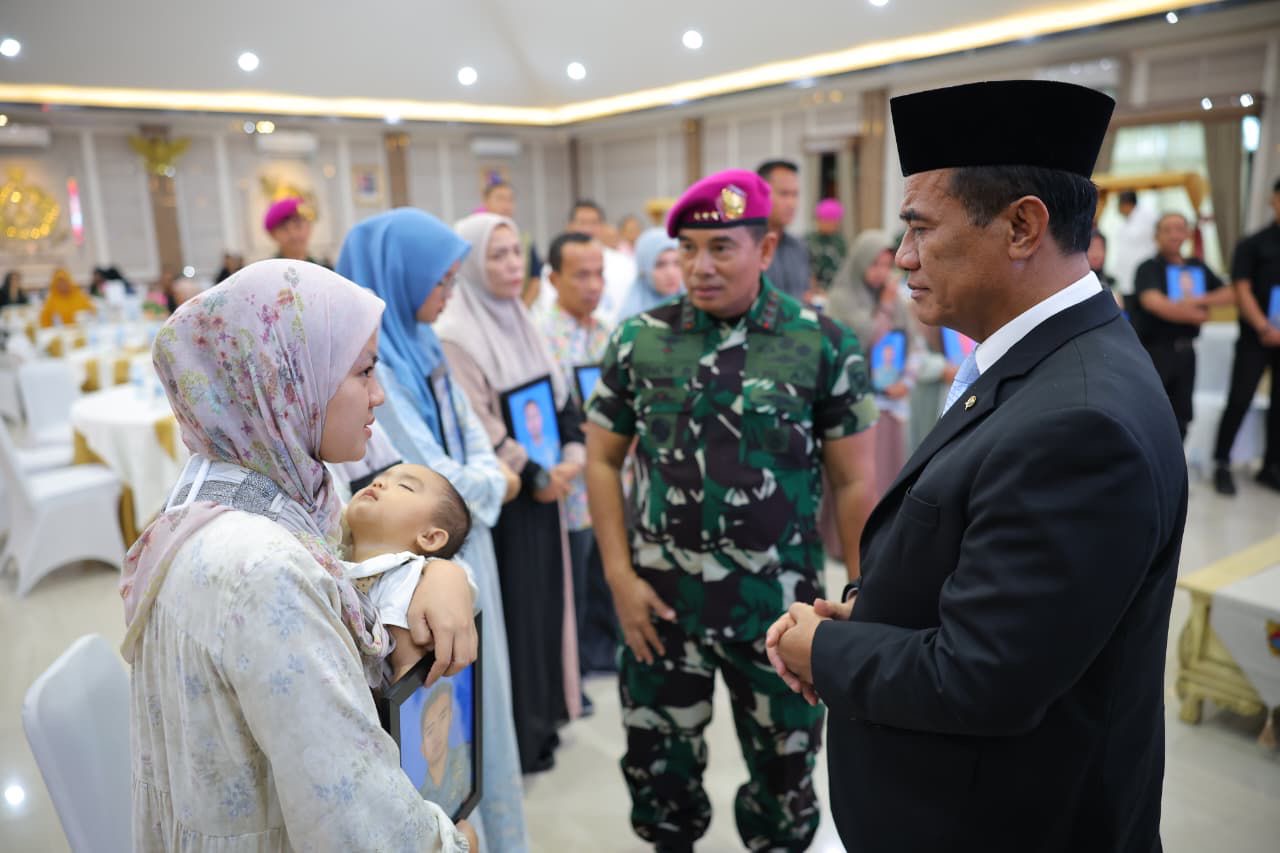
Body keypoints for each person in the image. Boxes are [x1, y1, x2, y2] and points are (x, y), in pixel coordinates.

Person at [766, 79, 1188, 853]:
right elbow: (1005, 588)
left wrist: (820, 649)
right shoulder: (1052, 359)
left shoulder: (1080, 420)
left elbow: (983, 676)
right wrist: (875, 615)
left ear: (1022, 226)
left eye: (921, 228)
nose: (902, 257)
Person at [120, 259, 479, 852]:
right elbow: (353, 818)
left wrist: (439, 572)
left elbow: (355, 563)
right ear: (285, 381)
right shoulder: (265, 568)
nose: (379, 394)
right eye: (363, 371)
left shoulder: (256, 489)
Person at [585, 168, 878, 853]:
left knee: (785, 786)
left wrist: (863, 594)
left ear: (766, 248)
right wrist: (619, 578)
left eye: (721, 248)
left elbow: (854, 482)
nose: (700, 266)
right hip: (661, 607)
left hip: (779, 612)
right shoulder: (638, 340)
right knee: (661, 784)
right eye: (687, 249)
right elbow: (601, 460)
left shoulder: (822, 343)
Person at [336, 207, 530, 851]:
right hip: (426, 558)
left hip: (464, 549)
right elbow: (429, 472)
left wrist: (485, 481)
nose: (448, 293)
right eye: (439, 281)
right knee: (444, 721)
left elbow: (472, 445)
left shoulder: (429, 346)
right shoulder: (377, 369)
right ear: (399, 276)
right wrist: (495, 487)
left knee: (485, 702)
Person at [438, 211, 585, 774]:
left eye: (516, 252)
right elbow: (483, 426)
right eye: (495, 255)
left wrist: (568, 461)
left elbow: (560, 400)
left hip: (546, 492)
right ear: (471, 264)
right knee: (520, 619)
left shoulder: (522, 318)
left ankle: (545, 722)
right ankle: (523, 736)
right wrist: (539, 475)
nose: (511, 264)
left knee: (548, 612)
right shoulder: (457, 333)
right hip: (509, 503)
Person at [535, 231, 620, 682]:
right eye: (581, 275)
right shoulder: (540, 336)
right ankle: (576, 668)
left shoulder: (608, 332)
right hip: (569, 478)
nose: (593, 285)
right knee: (575, 576)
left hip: (611, 473)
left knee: (607, 567)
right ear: (554, 279)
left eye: (599, 274)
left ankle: (605, 652)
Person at [345, 463, 476, 681]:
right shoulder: (337, 554)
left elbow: (408, 669)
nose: (378, 483)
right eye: (378, 479)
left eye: (405, 486)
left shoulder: (404, 576)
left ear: (430, 537)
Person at [826, 230, 921, 499]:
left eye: (886, 265)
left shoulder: (893, 301)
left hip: (889, 406)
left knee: (886, 477)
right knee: (857, 483)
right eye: (874, 264)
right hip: (853, 407)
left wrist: (906, 382)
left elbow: (913, 345)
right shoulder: (841, 299)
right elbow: (865, 339)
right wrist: (886, 307)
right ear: (860, 261)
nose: (881, 272)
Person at [1131, 212, 1234, 439]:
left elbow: (1230, 292)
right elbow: (1153, 303)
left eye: (1179, 229)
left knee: (1182, 415)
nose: (1174, 235)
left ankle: (1178, 460)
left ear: (1187, 234)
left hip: (1187, 352)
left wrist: (1197, 300)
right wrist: (1195, 315)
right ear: (1157, 236)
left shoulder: (1196, 266)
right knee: (1150, 411)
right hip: (1156, 351)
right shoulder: (1148, 267)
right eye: (1167, 230)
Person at [1212, 176, 1280, 496]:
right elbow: (1241, 289)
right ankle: (1222, 463)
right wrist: (1264, 327)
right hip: (1256, 336)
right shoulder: (1253, 244)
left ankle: (1271, 466)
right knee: (1240, 398)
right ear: (1273, 200)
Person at [534, 200, 636, 325]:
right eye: (582, 222)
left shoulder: (624, 264)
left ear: (603, 226)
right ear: (570, 226)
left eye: (594, 223)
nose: (588, 229)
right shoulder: (552, 266)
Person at [481, 182, 543, 306]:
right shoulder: (478, 238)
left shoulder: (524, 240)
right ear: (486, 203)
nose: (506, 205)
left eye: (510, 200)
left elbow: (535, 280)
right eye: (500, 199)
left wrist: (521, 309)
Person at [758, 159, 811, 301]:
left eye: (795, 195)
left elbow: (803, 295)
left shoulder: (799, 247)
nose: (791, 203)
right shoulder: (749, 247)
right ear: (761, 195)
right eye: (784, 194)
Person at [417, 680, 472, 810]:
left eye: (442, 717)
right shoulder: (420, 799)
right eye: (430, 730)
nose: (437, 734)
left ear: (451, 718)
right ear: (422, 748)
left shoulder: (467, 757)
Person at [617, 227, 681, 321]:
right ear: (644, 269)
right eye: (660, 265)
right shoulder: (632, 320)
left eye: (677, 263)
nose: (671, 273)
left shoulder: (695, 307)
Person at [1109, 188, 1158, 305]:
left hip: (1142, 276)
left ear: (1126, 204)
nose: (1118, 209)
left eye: (1119, 205)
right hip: (1127, 279)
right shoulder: (1127, 222)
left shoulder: (1148, 217)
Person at [806, 197, 849, 296]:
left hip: (836, 290)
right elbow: (806, 269)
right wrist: (816, 289)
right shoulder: (809, 240)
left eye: (836, 220)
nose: (835, 224)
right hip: (813, 292)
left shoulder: (840, 241)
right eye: (830, 220)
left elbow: (844, 269)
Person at [264, 196, 325, 265]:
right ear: (273, 234)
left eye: (298, 225)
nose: (293, 234)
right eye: (284, 228)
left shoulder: (324, 269)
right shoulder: (266, 270)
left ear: (309, 227)